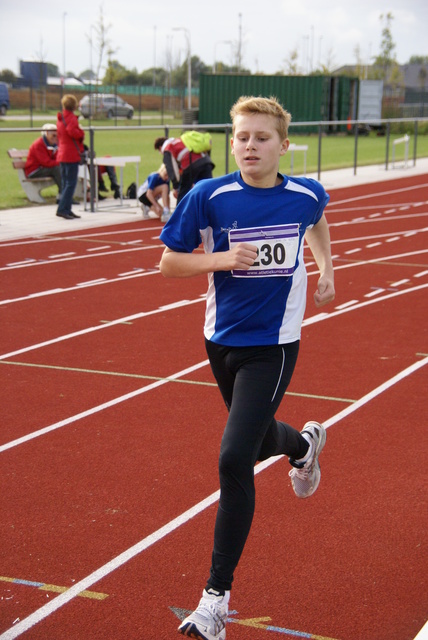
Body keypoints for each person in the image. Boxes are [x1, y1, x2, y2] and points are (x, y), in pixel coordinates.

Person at [159, 95, 335, 640]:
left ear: (284, 145)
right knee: (256, 441)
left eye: (261, 138)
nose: (250, 146)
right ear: (231, 142)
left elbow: (318, 221)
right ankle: (303, 447)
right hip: (221, 342)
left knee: (234, 455)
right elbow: (169, 263)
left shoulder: (306, 194)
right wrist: (220, 259)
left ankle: (214, 601)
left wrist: (326, 264)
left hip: (275, 345)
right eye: (242, 137)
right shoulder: (208, 196)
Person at [154, 135, 214, 203]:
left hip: (191, 164)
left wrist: (176, 187)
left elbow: (171, 170)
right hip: (206, 162)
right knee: (208, 191)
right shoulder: (180, 140)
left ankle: (180, 213)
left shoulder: (168, 148)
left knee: (183, 195)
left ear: (160, 147)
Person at [56, 94, 84, 219]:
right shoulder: (71, 118)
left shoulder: (61, 118)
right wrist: (81, 133)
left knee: (66, 182)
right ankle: (63, 208)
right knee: (71, 183)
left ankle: (66, 208)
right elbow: (72, 132)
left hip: (62, 153)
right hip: (71, 153)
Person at [24, 123, 62, 198]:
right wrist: (60, 163)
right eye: (53, 135)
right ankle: (63, 196)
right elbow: (46, 162)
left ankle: (64, 195)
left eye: (57, 135)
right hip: (34, 170)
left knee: (65, 168)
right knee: (57, 169)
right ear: (47, 134)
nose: (56, 137)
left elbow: (57, 158)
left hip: (43, 169)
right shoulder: (39, 144)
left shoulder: (53, 144)